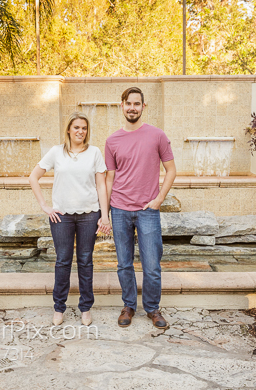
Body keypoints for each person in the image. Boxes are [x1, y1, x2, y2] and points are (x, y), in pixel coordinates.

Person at [29, 111, 111, 327]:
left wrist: (105, 215)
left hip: (89, 215)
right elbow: (33, 177)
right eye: (76, 127)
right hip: (62, 217)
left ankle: (85, 308)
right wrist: (45, 206)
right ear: (68, 129)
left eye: (84, 128)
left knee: (85, 261)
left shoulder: (94, 152)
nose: (80, 131)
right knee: (62, 261)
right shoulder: (56, 152)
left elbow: (101, 185)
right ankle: (59, 308)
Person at [105, 87, 176, 330]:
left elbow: (171, 170)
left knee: (152, 264)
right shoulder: (112, 140)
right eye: (128, 103)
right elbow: (109, 179)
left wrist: (159, 199)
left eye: (137, 103)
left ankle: (153, 308)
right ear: (122, 106)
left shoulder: (157, 135)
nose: (132, 108)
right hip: (120, 209)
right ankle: (128, 305)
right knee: (124, 263)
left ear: (143, 107)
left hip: (148, 210)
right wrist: (106, 212)